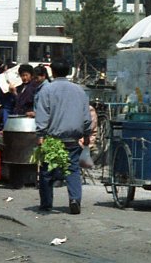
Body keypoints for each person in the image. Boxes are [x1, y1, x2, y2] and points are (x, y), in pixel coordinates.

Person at [34, 60, 92, 214]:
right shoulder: (79, 91)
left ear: (52, 72)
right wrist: (87, 135)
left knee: (46, 172)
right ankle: (74, 199)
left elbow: (42, 115)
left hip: (52, 139)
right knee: (72, 170)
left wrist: (40, 135)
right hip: (73, 139)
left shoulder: (46, 91)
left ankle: (46, 204)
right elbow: (86, 117)